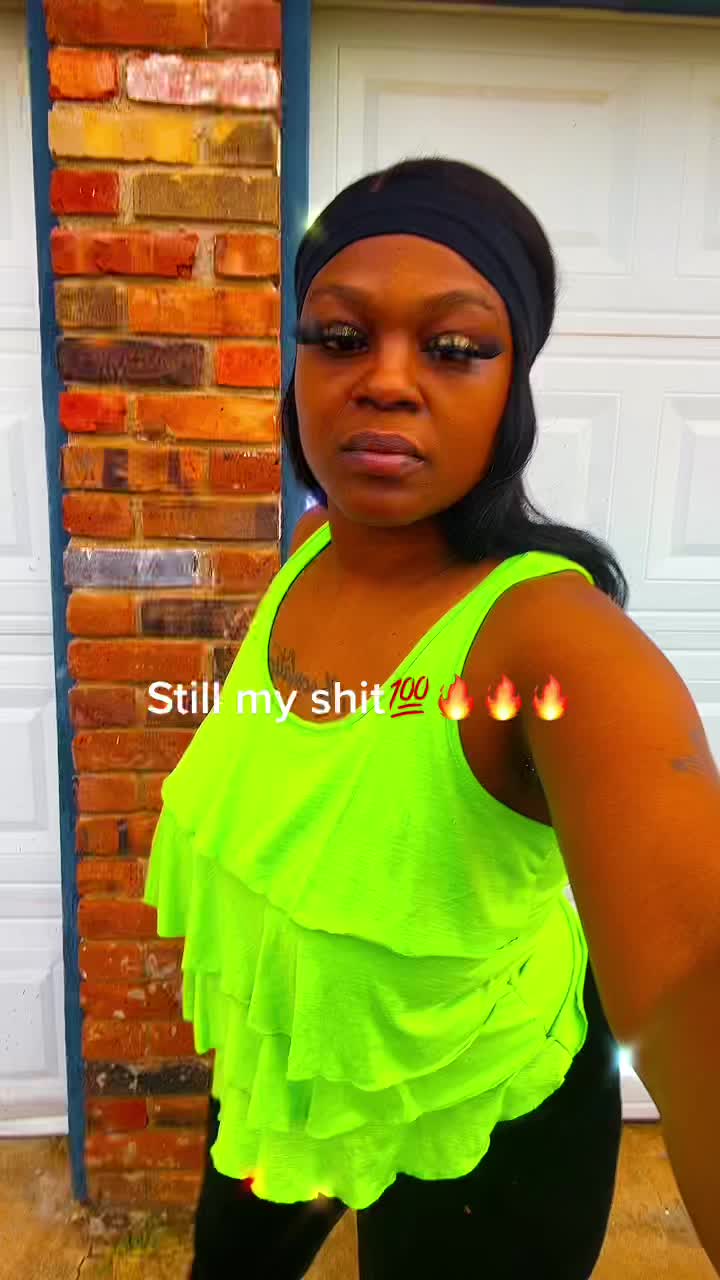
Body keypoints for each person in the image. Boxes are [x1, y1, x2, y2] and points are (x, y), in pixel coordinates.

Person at [144, 158, 720, 1279]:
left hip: (486, 1114)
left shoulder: (551, 641)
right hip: (298, 1072)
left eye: (454, 347)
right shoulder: (312, 545)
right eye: (340, 337)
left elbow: (698, 968)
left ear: (515, 390)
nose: (387, 381)